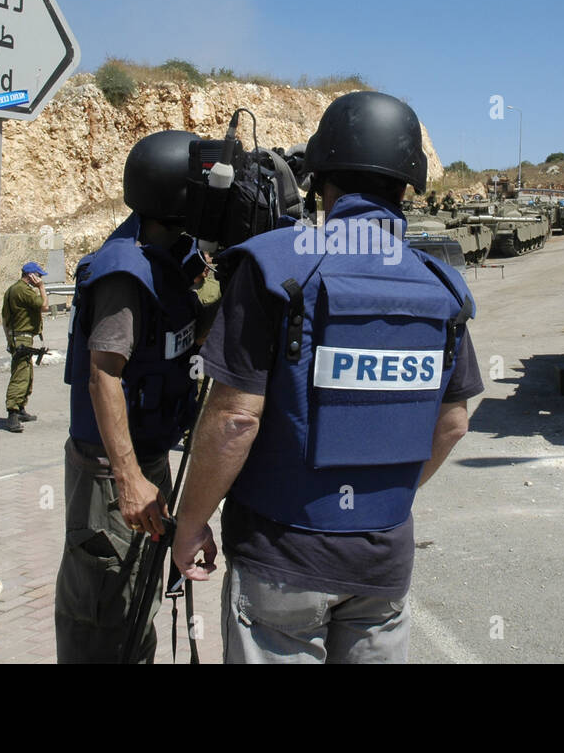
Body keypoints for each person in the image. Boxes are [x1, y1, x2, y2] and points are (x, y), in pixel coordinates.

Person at [172, 91, 484, 663]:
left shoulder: (273, 265)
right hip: (382, 564)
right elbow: (454, 422)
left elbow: (235, 418)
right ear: (407, 185)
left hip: (281, 559)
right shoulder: (442, 287)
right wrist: (385, 494)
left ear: (319, 181)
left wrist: (190, 522)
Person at [54, 130, 204, 664]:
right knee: (103, 610)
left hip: (147, 458)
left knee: (136, 601)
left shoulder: (170, 261)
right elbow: (103, 374)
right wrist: (128, 477)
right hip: (109, 470)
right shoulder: (125, 271)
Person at [1, 261, 49, 433]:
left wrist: (9, 339)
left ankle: (20, 408)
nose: (40, 279)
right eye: (39, 276)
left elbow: (5, 318)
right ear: (31, 276)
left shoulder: (13, 289)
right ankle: (12, 413)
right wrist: (42, 288)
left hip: (19, 337)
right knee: (20, 376)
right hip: (22, 337)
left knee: (26, 374)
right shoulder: (23, 290)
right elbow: (44, 306)